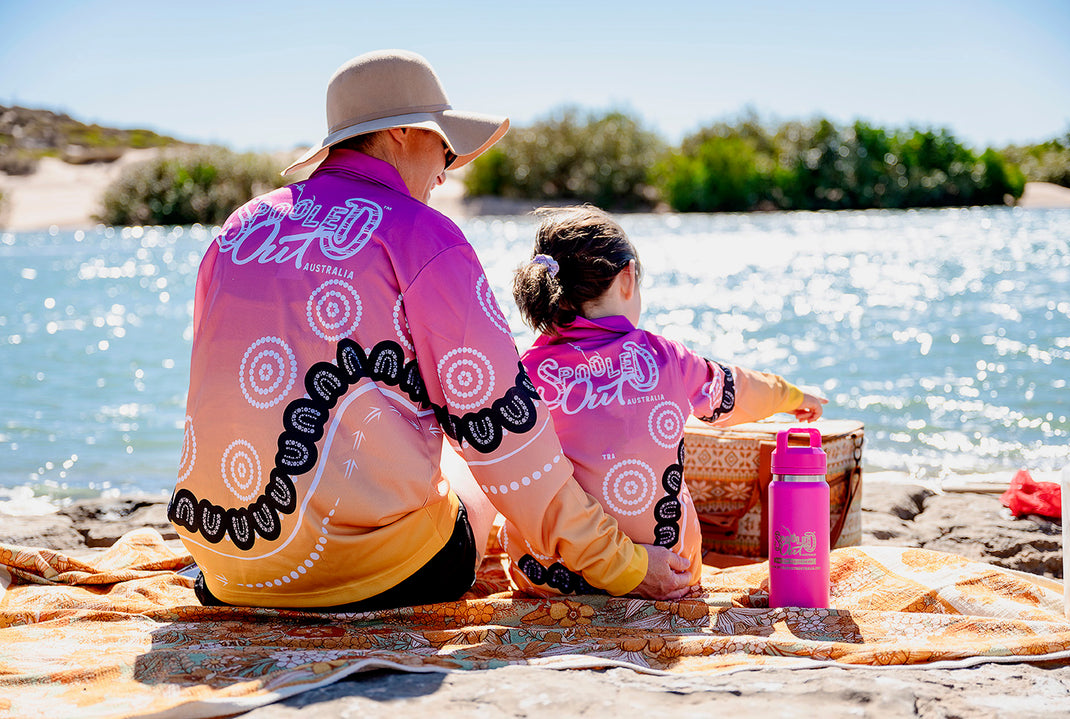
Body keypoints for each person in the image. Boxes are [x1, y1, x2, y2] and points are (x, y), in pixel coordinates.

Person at [167, 50, 692, 611]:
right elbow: (506, 441)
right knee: (472, 455)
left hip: (226, 567)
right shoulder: (423, 235)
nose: (449, 166)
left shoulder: (240, 227)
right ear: (398, 132)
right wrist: (625, 564)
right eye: (444, 142)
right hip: (375, 576)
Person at [505, 205, 826, 595]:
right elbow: (736, 391)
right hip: (671, 568)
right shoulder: (665, 358)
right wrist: (791, 395)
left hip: (553, 579)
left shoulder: (525, 372)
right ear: (627, 278)